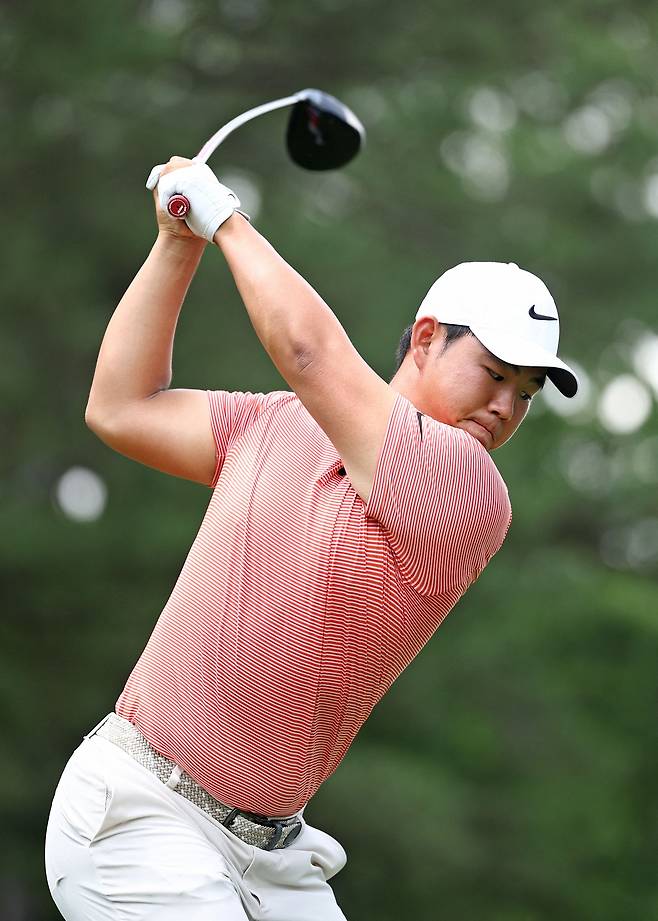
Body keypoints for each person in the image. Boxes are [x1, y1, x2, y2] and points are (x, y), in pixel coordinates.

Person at [44, 157, 578, 921]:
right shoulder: (271, 422)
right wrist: (176, 242)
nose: (505, 406)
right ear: (425, 337)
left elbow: (308, 354)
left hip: (273, 856)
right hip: (137, 814)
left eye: (525, 394)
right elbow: (121, 406)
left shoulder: (467, 491)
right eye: (494, 372)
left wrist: (221, 218)